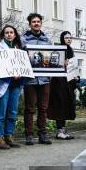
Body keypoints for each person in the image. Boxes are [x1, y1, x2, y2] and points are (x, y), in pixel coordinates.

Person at [22, 13, 53, 145]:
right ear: (30, 24)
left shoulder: (47, 40)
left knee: (43, 108)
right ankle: (29, 135)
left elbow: (52, 57)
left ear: (41, 23)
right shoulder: (23, 39)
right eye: (33, 22)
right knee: (30, 108)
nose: (36, 23)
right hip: (30, 79)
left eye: (38, 21)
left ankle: (43, 134)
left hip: (44, 79)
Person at [0, 25, 24, 149]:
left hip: (16, 84)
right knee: (1, 111)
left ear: (15, 35)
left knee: (13, 111)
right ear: (3, 35)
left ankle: (9, 136)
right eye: (7, 33)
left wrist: (20, 72)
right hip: (4, 84)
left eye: (11, 32)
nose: (9, 34)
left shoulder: (18, 48)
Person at [48, 31, 77, 140]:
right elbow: (52, 64)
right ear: (62, 39)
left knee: (66, 105)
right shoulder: (58, 49)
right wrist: (62, 63)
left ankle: (63, 129)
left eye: (70, 37)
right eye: (66, 38)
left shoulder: (70, 50)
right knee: (59, 105)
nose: (69, 39)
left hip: (68, 82)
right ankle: (59, 130)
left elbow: (72, 66)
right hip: (58, 82)